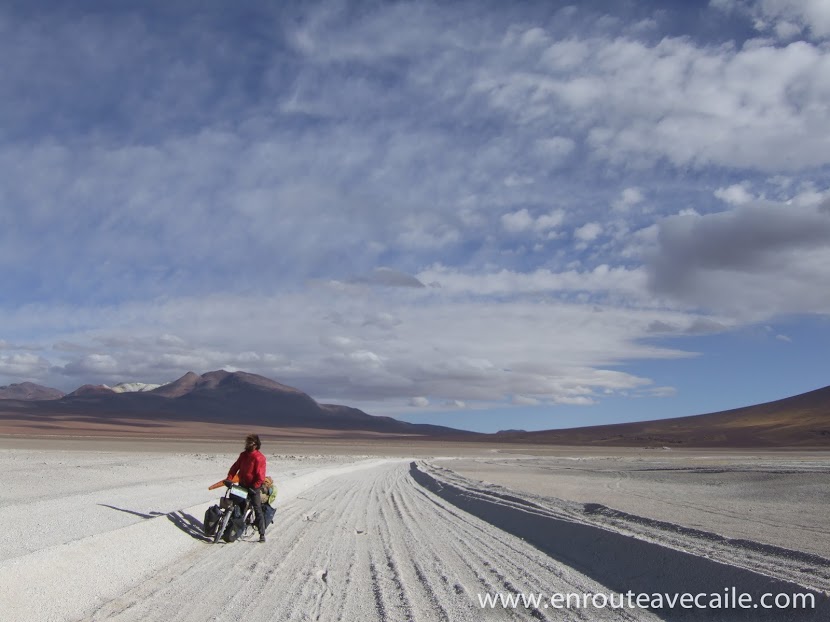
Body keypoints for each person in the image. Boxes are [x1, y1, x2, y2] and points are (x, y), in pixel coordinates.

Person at [227, 433, 267, 542]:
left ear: (256, 444)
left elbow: (261, 476)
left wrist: (255, 487)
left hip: (254, 488)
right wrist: (229, 478)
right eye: (247, 442)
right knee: (236, 505)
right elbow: (235, 467)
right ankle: (232, 528)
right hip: (242, 485)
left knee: (257, 509)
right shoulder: (243, 455)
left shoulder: (259, 458)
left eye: (251, 443)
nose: (249, 444)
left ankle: (262, 534)